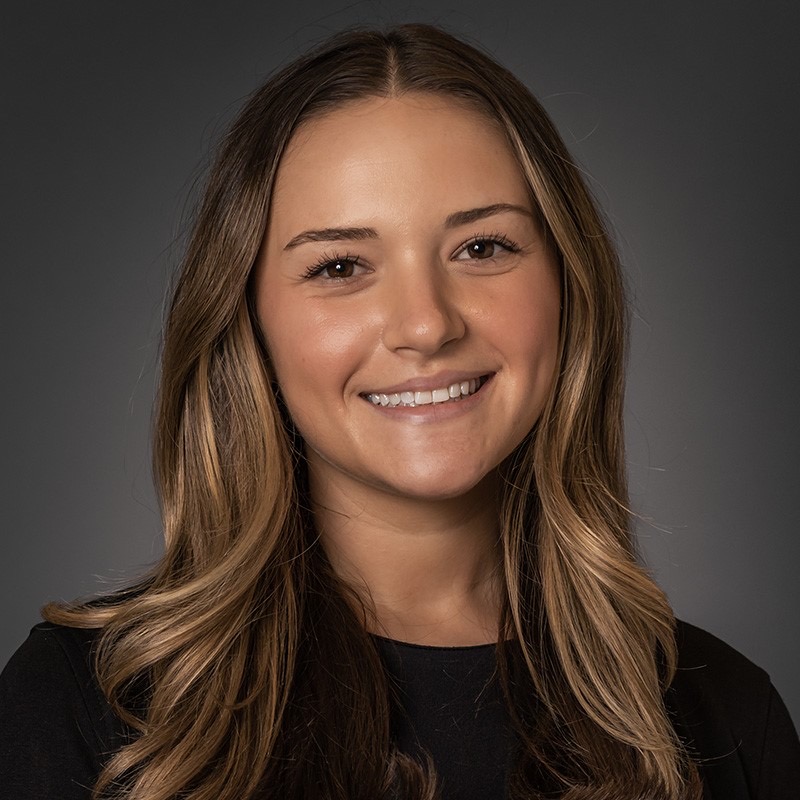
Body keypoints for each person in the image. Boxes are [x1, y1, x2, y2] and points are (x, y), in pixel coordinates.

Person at [0, 23, 797, 800]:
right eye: (341, 265)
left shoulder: (724, 713)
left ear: (568, 286)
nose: (426, 324)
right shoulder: (84, 702)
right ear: (249, 321)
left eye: (482, 248)